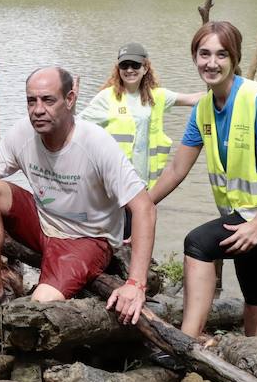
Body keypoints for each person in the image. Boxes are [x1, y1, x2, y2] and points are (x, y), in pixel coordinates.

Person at [0, 67, 155, 323]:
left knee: (39, 307)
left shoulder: (96, 144)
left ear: (70, 99)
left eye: (48, 100)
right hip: (42, 223)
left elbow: (144, 208)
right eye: (31, 100)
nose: (38, 109)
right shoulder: (23, 134)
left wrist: (135, 283)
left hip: (86, 238)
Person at [149, 21, 257, 342]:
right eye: (204, 54)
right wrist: (140, 204)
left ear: (235, 57)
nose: (211, 63)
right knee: (256, 292)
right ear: (194, 57)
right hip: (250, 214)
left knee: (198, 244)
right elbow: (176, 170)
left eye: (221, 54)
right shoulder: (204, 108)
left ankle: (186, 344)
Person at [81, 41, 202, 238]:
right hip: (114, 184)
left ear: (145, 68)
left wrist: (228, 89)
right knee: (111, 236)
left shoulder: (157, 96)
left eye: (135, 65)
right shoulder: (107, 98)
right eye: (124, 65)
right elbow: (78, 128)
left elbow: (192, 99)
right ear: (118, 68)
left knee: (135, 235)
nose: (129, 70)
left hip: (143, 184)